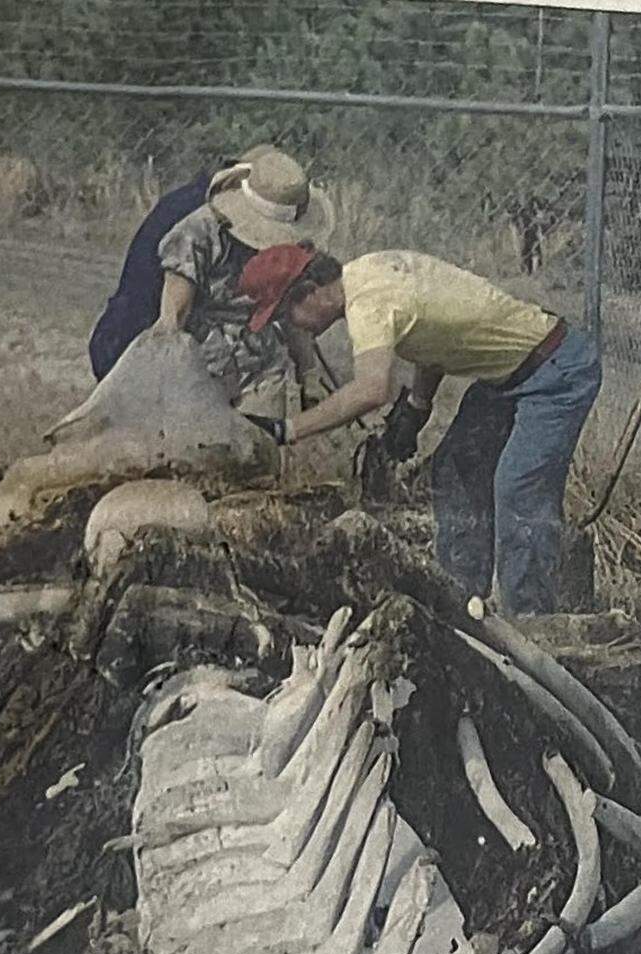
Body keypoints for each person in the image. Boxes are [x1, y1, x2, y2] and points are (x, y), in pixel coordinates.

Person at [235, 244, 601, 617]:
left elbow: (371, 390)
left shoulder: (368, 305)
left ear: (310, 291)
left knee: (518, 488)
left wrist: (289, 429)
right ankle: (460, 605)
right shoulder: (370, 268)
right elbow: (433, 332)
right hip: (509, 374)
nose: (293, 326)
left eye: (287, 314)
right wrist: (416, 407)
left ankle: (532, 623)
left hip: (556, 371)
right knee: (455, 468)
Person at [152, 149, 335, 412]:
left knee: (258, 445)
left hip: (261, 365)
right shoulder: (198, 234)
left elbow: (290, 312)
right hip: (200, 364)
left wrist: (308, 374)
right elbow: (174, 320)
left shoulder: (293, 249)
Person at [86, 144, 273, 381]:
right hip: (137, 352)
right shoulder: (202, 223)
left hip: (119, 338)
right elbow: (174, 320)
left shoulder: (194, 199)